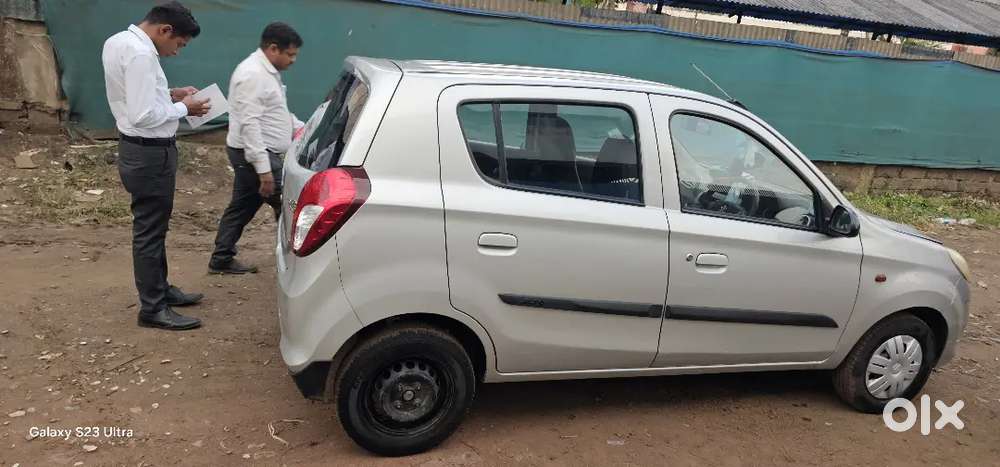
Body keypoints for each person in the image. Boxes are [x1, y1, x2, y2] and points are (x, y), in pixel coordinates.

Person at [102, 1, 210, 330]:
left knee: (153, 227)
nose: (176, 52)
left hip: (137, 150)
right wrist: (185, 108)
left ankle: (161, 289)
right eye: (178, 44)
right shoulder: (142, 55)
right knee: (149, 231)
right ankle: (152, 308)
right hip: (150, 154)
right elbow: (142, 115)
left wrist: (170, 94)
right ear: (165, 30)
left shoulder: (118, 41)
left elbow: (134, 95)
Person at [208, 22, 304, 275]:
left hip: (253, 154)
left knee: (243, 206)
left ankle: (221, 258)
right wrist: (263, 170)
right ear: (274, 49)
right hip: (254, 155)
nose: (293, 60)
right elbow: (250, 125)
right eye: (290, 54)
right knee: (287, 203)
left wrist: (301, 128)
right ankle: (295, 261)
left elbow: (276, 112)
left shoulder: (267, 72)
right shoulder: (252, 75)